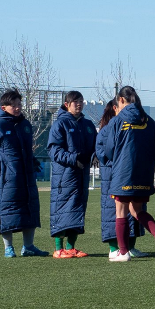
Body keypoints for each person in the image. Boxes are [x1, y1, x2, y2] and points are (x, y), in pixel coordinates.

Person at [0, 89, 46, 257]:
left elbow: (26, 150)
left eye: (19, 105)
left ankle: (28, 247)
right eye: (13, 105)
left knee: (30, 209)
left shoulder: (25, 125)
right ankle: (8, 248)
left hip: (27, 176)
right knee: (8, 211)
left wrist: (33, 161)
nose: (17, 108)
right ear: (3, 107)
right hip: (8, 177)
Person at [105, 86, 155, 262]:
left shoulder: (117, 121)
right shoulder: (148, 120)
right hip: (144, 173)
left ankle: (123, 252)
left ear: (121, 100)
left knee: (121, 211)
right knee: (136, 209)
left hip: (123, 172)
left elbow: (109, 149)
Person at [47, 90, 95, 257]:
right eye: (75, 102)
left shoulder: (87, 125)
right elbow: (54, 151)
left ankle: (70, 247)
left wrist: (94, 157)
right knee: (61, 210)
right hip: (64, 176)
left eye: (81, 101)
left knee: (77, 210)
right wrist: (75, 159)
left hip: (82, 176)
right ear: (67, 104)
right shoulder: (60, 124)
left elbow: (96, 147)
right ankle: (58, 249)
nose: (79, 104)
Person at [96, 98, 146, 258]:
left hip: (128, 175)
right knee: (113, 211)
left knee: (131, 212)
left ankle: (129, 246)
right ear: (114, 109)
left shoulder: (132, 126)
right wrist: (117, 161)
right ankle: (114, 247)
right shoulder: (107, 129)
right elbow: (102, 151)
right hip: (112, 175)